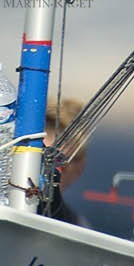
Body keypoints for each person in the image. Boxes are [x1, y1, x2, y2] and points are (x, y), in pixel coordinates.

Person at [41, 97, 88, 227]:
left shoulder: (78, 230)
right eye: (38, 160)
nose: (46, 174)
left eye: (59, 163)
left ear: (79, 168)